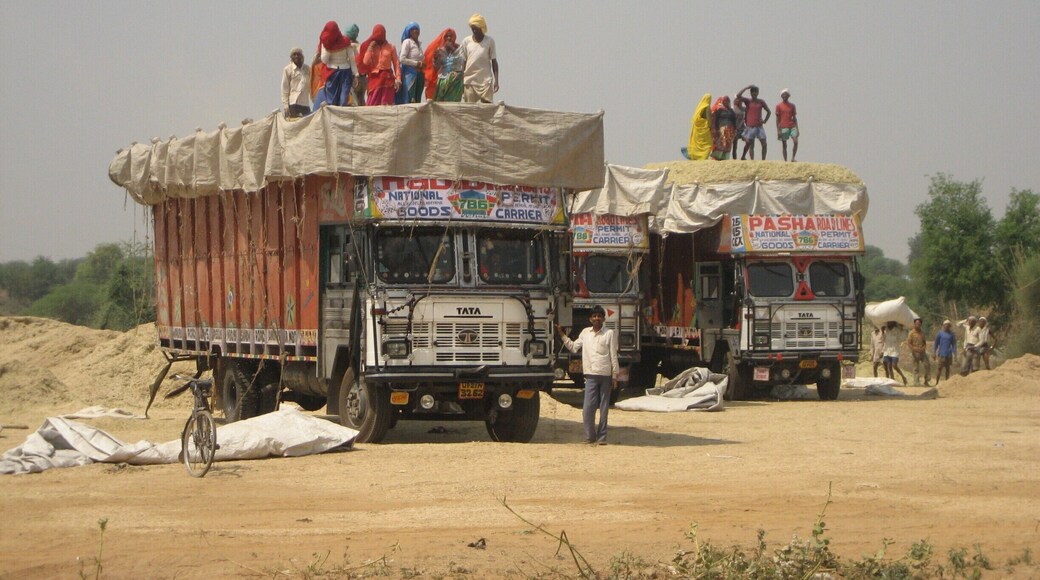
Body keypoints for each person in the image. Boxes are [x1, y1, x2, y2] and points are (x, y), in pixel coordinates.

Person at [556, 306, 619, 445]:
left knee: (603, 408)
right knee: (588, 409)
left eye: (599, 316)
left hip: (605, 375)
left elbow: (613, 355)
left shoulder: (609, 333)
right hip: (590, 375)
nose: (597, 318)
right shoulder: (585, 333)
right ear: (590, 319)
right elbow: (573, 347)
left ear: (603, 318)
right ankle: (590, 436)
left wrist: (615, 375)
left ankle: (602, 437)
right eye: (594, 316)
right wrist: (561, 334)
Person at [312, 21, 357, 109]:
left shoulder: (345, 41)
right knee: (331, 100)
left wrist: (356, 74)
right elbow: (324, 60)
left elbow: (352, 59)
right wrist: (327, 47)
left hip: (345, 72)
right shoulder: (326, 42)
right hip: (332, 73)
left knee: (343, 100)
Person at [358, 24, 401, 106]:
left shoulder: (391, 47)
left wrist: (398, 78)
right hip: (375, 79)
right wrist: (370, 48)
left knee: (386, 104)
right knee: (373, 104)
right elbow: (365, 62)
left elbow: (396, 64)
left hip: (387, 79)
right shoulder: (372, 47)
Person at [460, 14, 498, 103]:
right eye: (472, 28)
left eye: (476, 28)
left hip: (485, 81)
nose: (474, 30)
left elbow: (494, 62)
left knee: (487, 109)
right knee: (469, 111)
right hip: (469, 81)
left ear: (481, 28)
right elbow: (463, 62)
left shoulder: (489, 41)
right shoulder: (466, 41)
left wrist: (496, 81)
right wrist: (461, 80)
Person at [425, 28, 463, 102]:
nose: (448, 38)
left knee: (453, 103)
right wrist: (436, 59)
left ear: (454, 37)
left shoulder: (459, 49)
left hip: (455, 80)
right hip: (443, 80)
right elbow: (436, 68)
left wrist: (452, 49)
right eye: (446, 36)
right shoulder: (440, 51)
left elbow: (461, 62)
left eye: (450, 36)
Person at [735, 84, 771, 160]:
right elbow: (738, 95)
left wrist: (764, 121)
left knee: (764, 144)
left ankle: (763, 160)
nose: (754, 94)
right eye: (753, 92)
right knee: (750, 144)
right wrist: (746, 87)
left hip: (759, 126)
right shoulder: (748, 101)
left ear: (758, 93)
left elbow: (768, 111)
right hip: (750, 126)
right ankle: (749, 158)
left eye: (755, 92)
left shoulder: (761, 102)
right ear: (751, 93)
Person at [396, 22, 425, 104]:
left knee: (417, 99)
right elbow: (402, 59)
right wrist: (416, 64)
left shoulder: (419, 44)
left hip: (419, 74)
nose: (415, 31)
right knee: (410, 98)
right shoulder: (407, 42)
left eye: (417, 29)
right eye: (413, 29)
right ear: (409, 32)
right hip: (410, 74)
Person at [281, 47, 311, 119]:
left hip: (305, 104)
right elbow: (284, 89)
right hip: (293, 104)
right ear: (291, 57)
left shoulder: (307, 69)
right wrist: (286, 106)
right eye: (294, 54)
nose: (296, 56)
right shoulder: (287, 69)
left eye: (298, 54)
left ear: (302, 56)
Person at [681, 93, 713, 160]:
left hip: (698, 130)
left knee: (699, 145)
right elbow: (709, 119)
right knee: (707, 144)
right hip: (705, 130)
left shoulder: (700, 107)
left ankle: (697, 156)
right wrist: (710, 127)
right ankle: (703, 157)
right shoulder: (707, 107)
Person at [775, 89, 799, 162]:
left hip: (792, 126)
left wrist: (797, 128)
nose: (785, 96)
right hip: (783, 126)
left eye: (786, 94)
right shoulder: (778, 106)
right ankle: (785, 160)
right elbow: (777, 119)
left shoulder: (792, 106)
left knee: (795, 141)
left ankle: (793, 157)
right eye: (783, 94)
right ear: (781, 96)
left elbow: (794, 118)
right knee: (784, 144)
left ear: (788, 96)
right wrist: (778, 130)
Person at [907, 317, 931, 386]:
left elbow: (924, 342)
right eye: (916, 323)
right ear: (914, 324)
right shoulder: (911, 333)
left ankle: (926, 380)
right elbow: (909, 343)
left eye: (919, 324)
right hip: (915, 352)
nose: (918, 325)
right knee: (916, 368)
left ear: (921, 324)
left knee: (927, 365)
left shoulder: (922, 333)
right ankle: (916, 382)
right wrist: (914, 350)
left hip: (922, 352)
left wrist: (923, 348)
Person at [710, 96, 736, 160]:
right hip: (722, 128)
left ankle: (725, 157)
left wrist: (735, 128)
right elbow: (715, 119)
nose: (726, 102)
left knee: (728, 143)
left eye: (727, 101)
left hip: (730, 129)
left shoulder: (731, 110)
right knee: (722, 142)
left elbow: (734, 120)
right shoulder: (719, 110)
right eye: (725, 101)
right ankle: (718, 156)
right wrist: (716, 128)